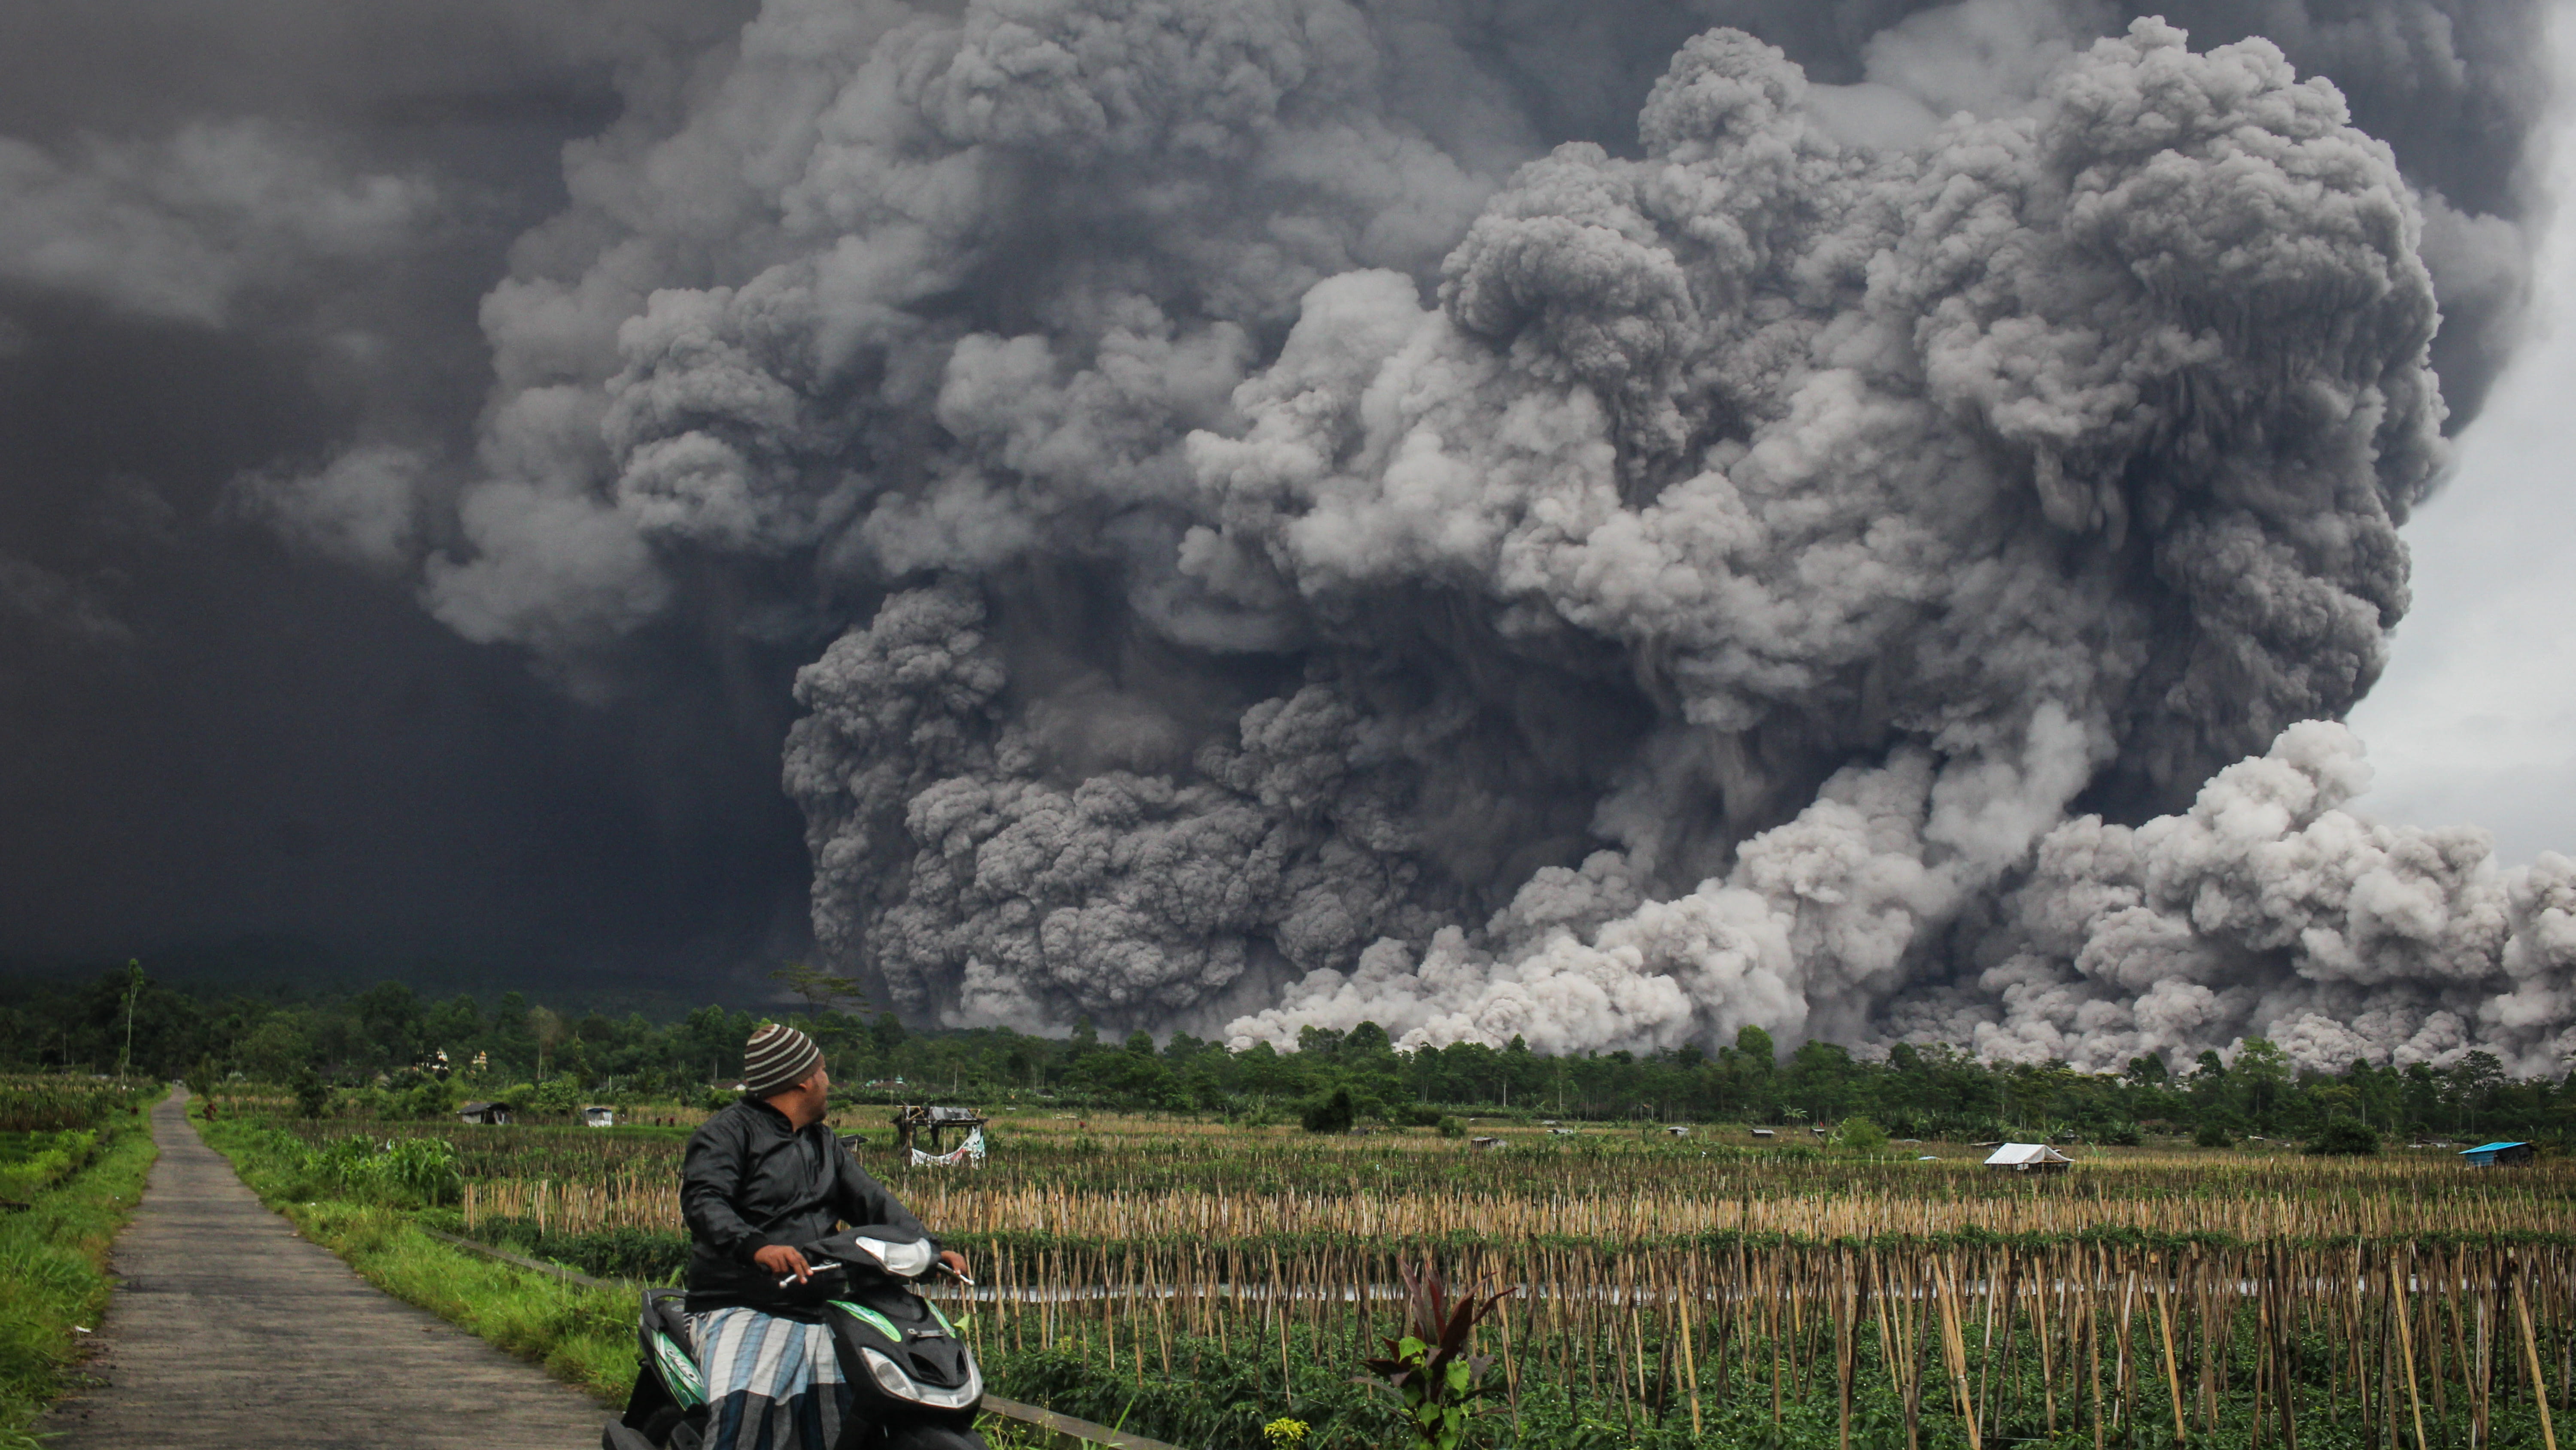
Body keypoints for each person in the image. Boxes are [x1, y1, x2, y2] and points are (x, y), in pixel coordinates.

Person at [681, 1022, 971, 1450]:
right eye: (823, 1071)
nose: (828, 1080)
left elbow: (873, 1202)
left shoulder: (825, 1143)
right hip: (743, 1302)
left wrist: (931, 1247)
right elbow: (705, 1202)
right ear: (803, 1080)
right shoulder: (727, 1133)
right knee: (744, 1423)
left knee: (845, 1423)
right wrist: (757, 1248)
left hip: (820, 1303)